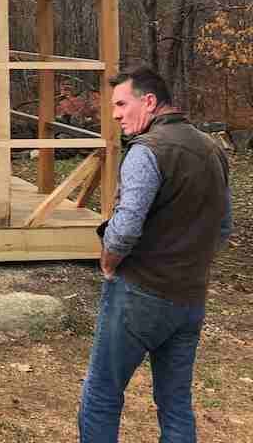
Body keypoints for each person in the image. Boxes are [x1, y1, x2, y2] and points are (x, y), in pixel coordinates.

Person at [78, 66, 232, 443]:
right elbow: (224, 228)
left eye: (120, 104)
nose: (114, 114)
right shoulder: (213, 149)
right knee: (176, 401)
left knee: (102, 393)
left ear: (148, 102)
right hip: (190, 299)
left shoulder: (147, 151)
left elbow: (126, 225)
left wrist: (108, 261)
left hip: (139, 295)